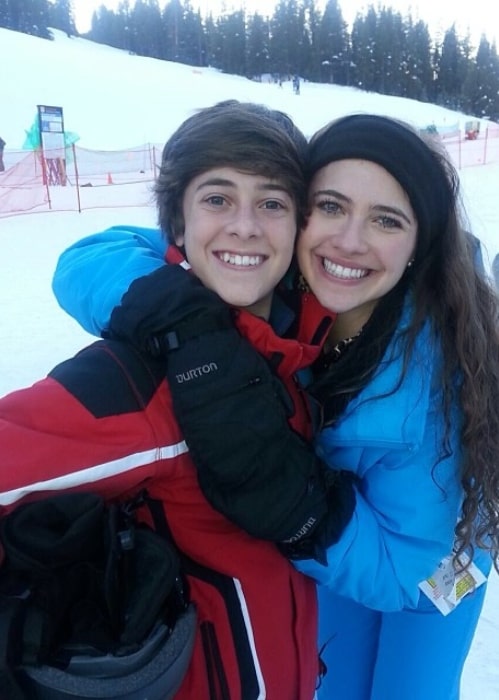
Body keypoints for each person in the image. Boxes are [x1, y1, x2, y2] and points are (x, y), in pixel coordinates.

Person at [52, 114, 499, 700]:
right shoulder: (282, 272)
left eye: (387, 220)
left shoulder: (430, 385)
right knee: (334, 681)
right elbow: (96, 255)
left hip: (434, 564)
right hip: (341, 548)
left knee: (411, 689)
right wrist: (180, 317)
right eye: (331, 207)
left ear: (421, 242)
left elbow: (399, 571)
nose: (348, 240)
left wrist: (299, 512)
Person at [0, 101, 358, 699]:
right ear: (178, 222)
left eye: (271, 202)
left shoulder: (301, 354)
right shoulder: (140, 382)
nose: (245, 225)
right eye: (217, 199)